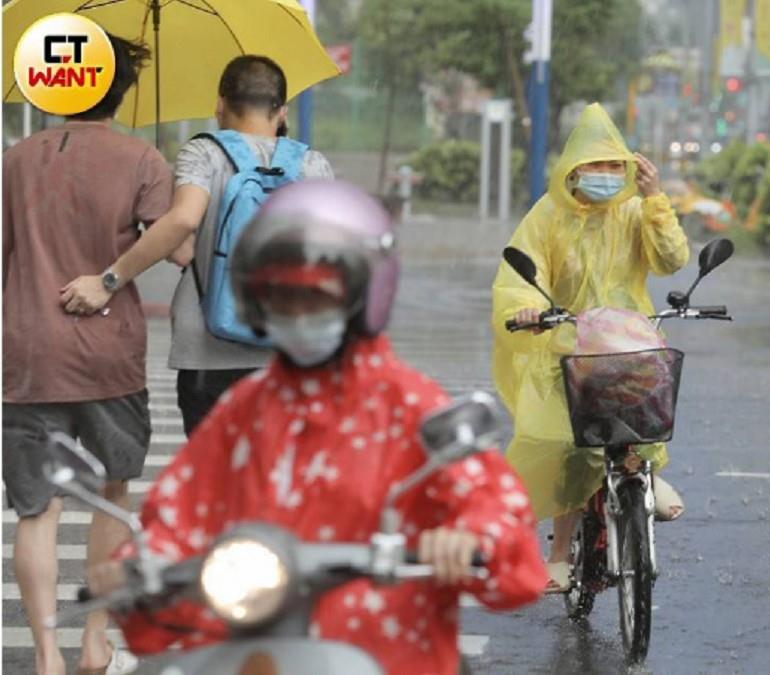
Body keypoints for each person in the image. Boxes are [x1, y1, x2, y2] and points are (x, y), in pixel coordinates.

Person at [86, 180, 546, 675]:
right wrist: (142, 568)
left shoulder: (412, 407)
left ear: (363, 295)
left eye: (316, 298)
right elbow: (178, 517)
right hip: (257, 654)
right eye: (282, 298)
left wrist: (470, 539)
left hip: (393, 658)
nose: (299, 314)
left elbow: (502, 529)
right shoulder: (243, 412)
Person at [60, 55, 334, 435]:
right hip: (289, 349)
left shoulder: (204, 153)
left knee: (212, 466)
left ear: (220, 104)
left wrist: (109, 280)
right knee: (279, 466)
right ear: (282, 111)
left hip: (208, 349)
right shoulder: (312, 164)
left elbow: (183, 224)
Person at [2, 33, 160, 675]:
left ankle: (47, 657)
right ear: (120, 92)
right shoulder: (142, 158)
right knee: (112, 494)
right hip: (109, 356)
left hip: (28, 355)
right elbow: (177, 245)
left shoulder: (14, 160)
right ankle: (96, 641)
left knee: (36, 508)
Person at [491, 103, 688, 592]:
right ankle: (559, 553)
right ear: (572, 170)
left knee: (646, 408)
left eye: (613, 165)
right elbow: (521, 274)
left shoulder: (635, 209)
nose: (604, 174)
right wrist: (528, 309)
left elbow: (671, 260)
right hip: (568, 342)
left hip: (628, 338)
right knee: (568, 445)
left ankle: (646, 473)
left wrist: (656, 199)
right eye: (594, 164)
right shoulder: (547, 215)